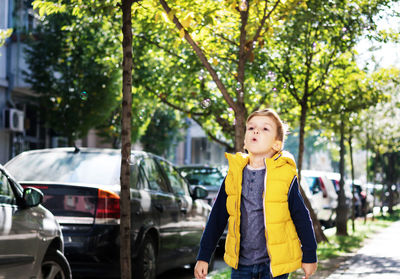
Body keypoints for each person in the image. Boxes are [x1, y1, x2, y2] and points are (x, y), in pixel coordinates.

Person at [194, 108, 318, 279]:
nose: (256, 131)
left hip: (274, 266)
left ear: (276, 144)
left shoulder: (285, 176)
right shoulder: (234, 174)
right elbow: (217, 217)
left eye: (265, 128)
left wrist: (310, 255)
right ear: (245, 141)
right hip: (242, 264)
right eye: (251, 128)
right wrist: (204, 255)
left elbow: (301, 217)